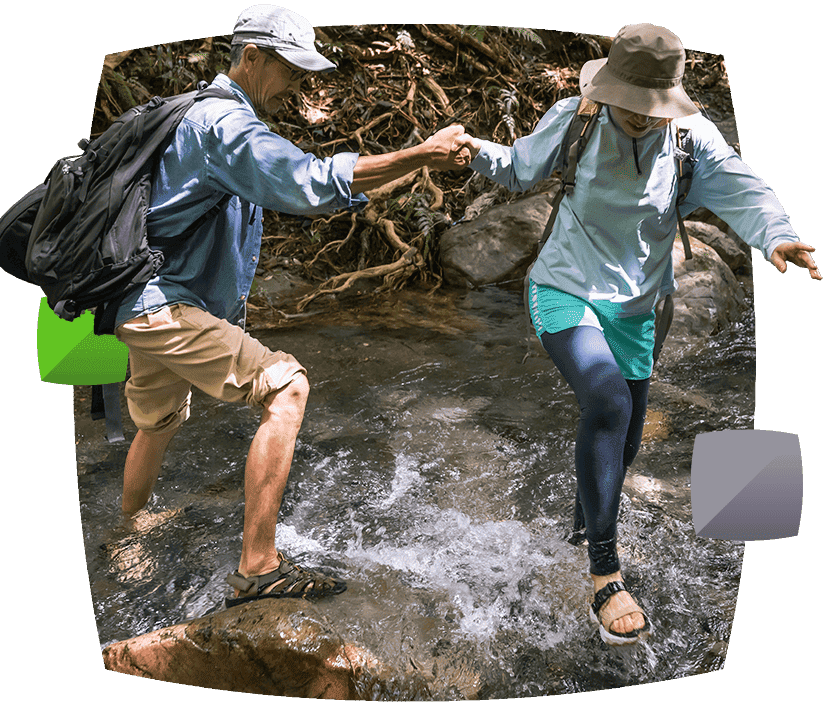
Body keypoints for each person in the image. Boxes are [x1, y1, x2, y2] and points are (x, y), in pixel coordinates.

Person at [454, 23, 821, 645]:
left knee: (623, 432)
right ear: (608, 90)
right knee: (607, 401)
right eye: (632, 106)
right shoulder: (575, 119)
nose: (643, 119)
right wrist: (468, 148)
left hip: (641, 305)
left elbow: (746, 192)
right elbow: (517, 169)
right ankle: (605, 573)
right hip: (564, 287)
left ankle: (580, 533)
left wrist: (776, 234)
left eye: (654, 109)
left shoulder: (690, 139)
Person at [113, 4, 468, 608]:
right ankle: (258, 566)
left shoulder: (198, 112)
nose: (300, 84)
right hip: (164, 305)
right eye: (292, 69)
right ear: (251, 57)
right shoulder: (224, 127)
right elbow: (306, 180)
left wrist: (382, 175)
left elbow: (303, 187)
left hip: (148, 298)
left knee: (158, 420)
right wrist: (419, 156)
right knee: (288, 387)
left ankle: (126, 533)